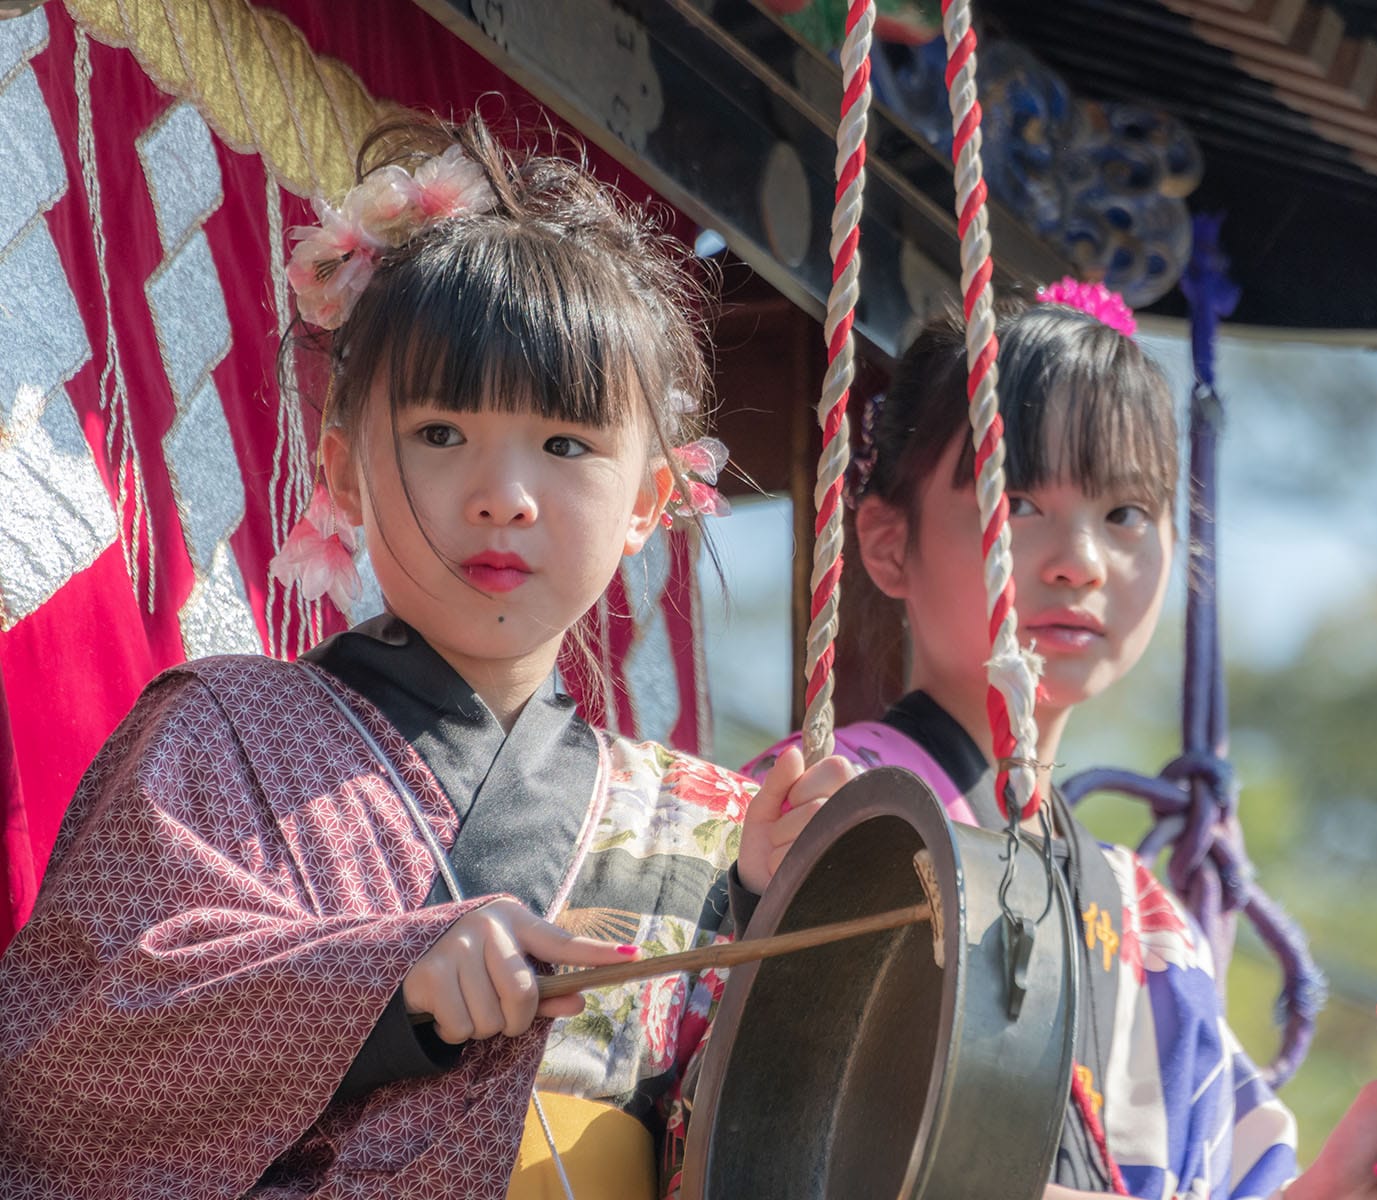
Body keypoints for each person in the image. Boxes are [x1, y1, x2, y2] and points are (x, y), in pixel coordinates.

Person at [0, 114, 851, 1200]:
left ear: (648, 501)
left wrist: (774, 913)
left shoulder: (705, 821)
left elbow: (775, 1146)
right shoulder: (218, 733)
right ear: (344, 468)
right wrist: (384, 990)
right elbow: (51, 1075)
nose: (504, 494)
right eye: (443, 433)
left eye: (566, 444)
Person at [746, 298, 1377, 1200]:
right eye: (1017, 502)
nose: (1080, 561)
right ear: (887, 542)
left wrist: (1347, 1176)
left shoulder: (1148, 920)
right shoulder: (823, 805)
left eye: (1126, 514)